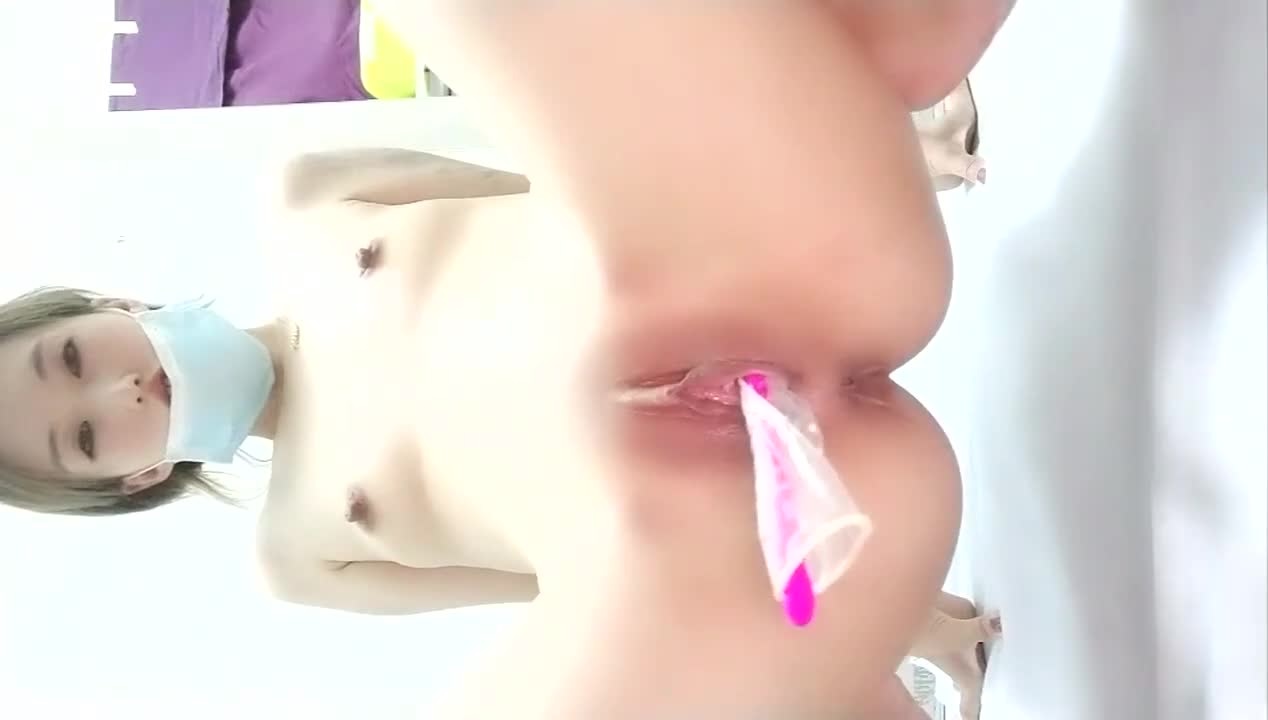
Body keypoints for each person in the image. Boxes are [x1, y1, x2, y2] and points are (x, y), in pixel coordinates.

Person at [0, 1, 1015, 717]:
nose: (118, 389)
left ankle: (886, 48)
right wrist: (893, 636)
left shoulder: (306, 203)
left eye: (74, 358)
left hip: (790, 260)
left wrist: (861, 126)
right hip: (780, 532)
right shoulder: (298, 554)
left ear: (109, 304)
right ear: (132, 480)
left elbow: (564, 162)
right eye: (86, 435)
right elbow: (576, 616)